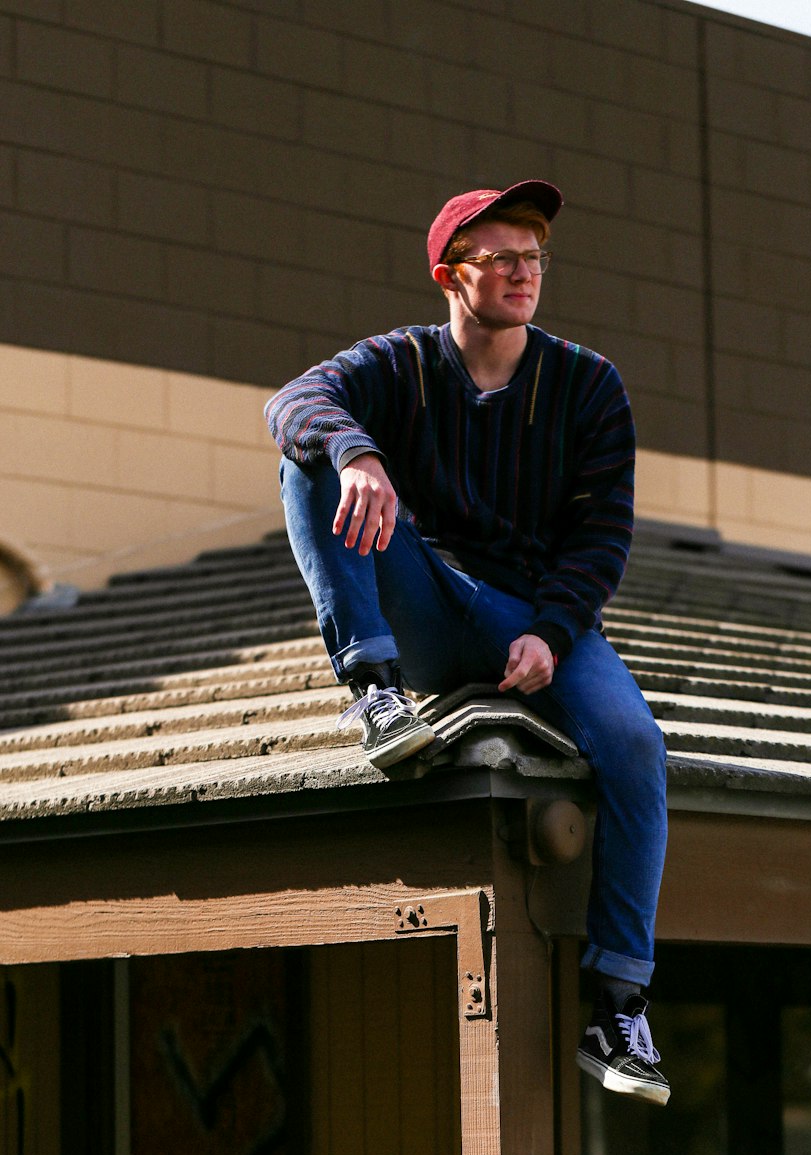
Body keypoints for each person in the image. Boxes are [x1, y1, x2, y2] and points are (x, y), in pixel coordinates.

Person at [266, 180, 670, 1105]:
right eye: (504, 258)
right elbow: (296, 399)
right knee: (312, 457)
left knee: (636, 746)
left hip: (533, 612)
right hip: (430, 599)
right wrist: (356, 454)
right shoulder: (402, 363)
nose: (526, 273)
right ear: (453, 276)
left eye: (536, 258)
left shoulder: (588, 384)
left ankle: (617, 1003)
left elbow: (602, 534)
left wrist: (552, 632)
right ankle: (373, 689)